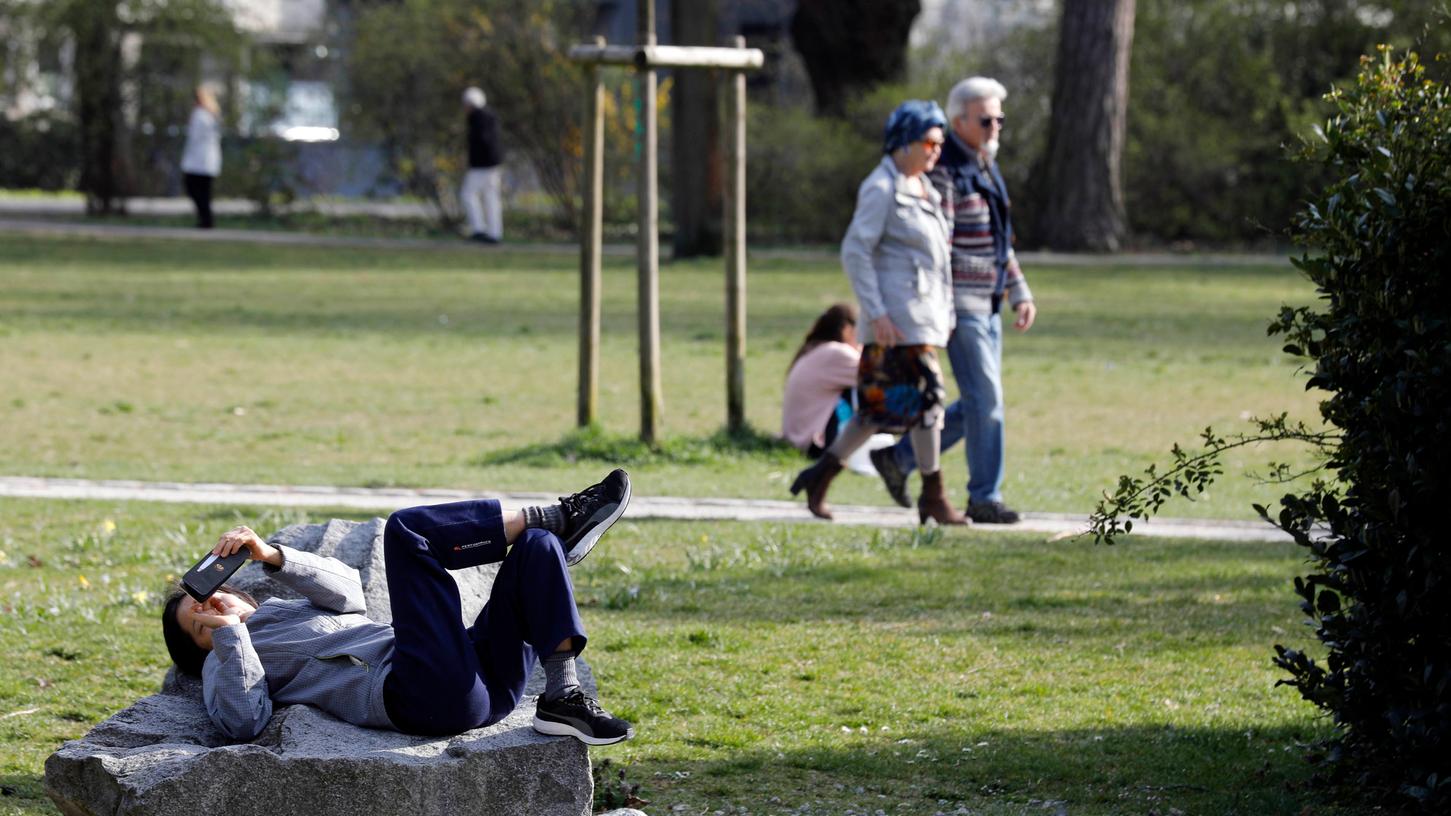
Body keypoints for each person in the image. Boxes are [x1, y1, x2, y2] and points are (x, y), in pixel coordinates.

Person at [161, 470, 635, 745]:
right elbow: (243, 720)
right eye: (199, 624)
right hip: (418, 694)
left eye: (205, 599)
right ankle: (558, 517)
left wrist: (273, 556)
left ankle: (561, 697)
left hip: (478, 682)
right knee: (407, 531)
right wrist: (227, 634)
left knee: (535, 547)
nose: (211, 607)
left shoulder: (283, 610)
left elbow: (347, 592)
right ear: (203, 649)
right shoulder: (222, 667)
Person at [789, 100, 968, 526]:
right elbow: (856, 250)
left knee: (876, 409)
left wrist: (946, 313)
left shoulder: (924, 187)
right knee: (930, 401)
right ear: (904, 143)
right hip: (894, 324)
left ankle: (819, 477)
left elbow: (936, 262)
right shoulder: (881, 188)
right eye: (929, 142)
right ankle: (933, 496)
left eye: (939, 143)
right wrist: (876, 310)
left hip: (921, 321)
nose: (935, 151)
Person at [868, 77, 1036, 524]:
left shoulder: (985, 165)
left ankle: (898, 459)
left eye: (1000, 118)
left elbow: (1000, 241)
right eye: (986, 119)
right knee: (988, 400)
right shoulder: (944, 171)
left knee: (983, 402)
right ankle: (984, 497)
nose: (995, 126)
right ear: (959, 121)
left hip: (990, 302)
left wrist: (1018, 290)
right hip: (961, 304)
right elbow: (937, 243)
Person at [781, 303, 861, 457]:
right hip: (816, 442)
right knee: (867, 392)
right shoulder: (837, 353)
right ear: (847, 330)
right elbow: (875, 376)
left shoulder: (816, 349)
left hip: (798, 440)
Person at [460, 87, 504, 244]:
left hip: (482, 166)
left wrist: (474, 161)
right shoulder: (490, 116)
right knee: (491, 198)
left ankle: (479, 229)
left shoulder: (478, 118)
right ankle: (495, 233)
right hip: (492, 165)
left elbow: (483, 142)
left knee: (467, 194)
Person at [180, 86, 222, 229]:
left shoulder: (200, 115)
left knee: (196, 189)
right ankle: (206, 219)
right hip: (205, 160)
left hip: (199, 160)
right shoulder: (211, 115)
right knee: (203, 192)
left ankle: (206, 220)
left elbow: (194, 138)